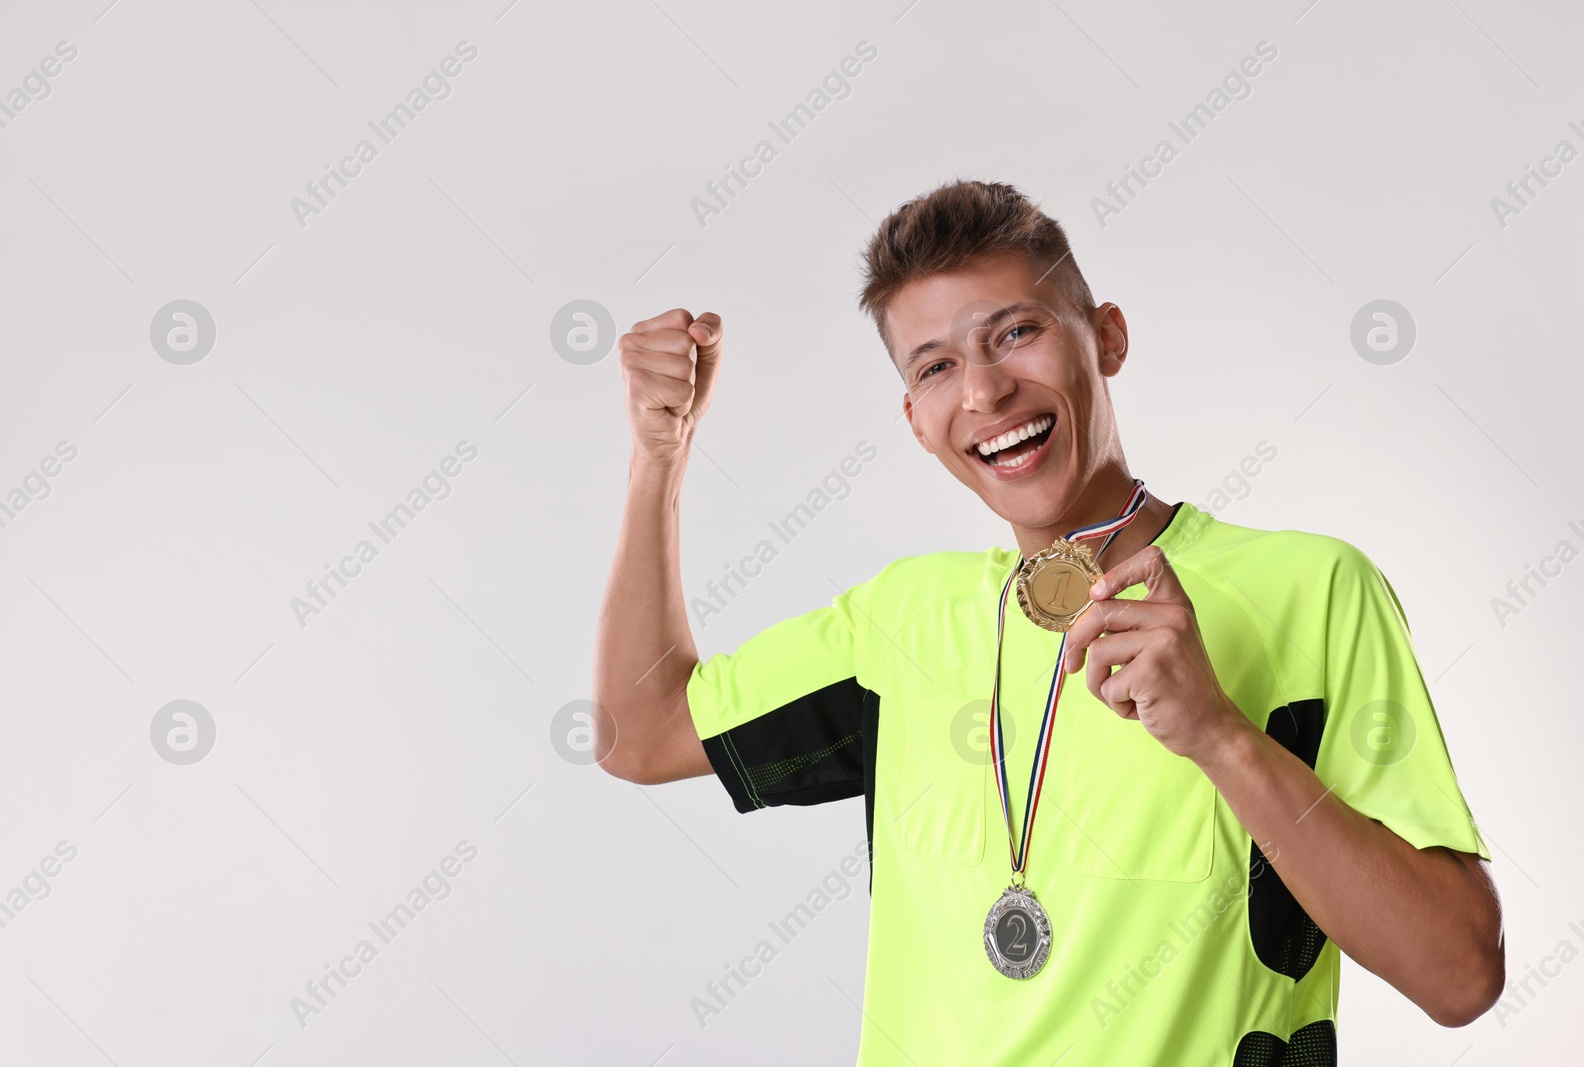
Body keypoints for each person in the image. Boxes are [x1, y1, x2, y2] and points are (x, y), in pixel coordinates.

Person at [593, 178, 1504, 1065]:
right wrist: (657, 457)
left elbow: (1460, 976)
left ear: (1106, 337)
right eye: (937, 366)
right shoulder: (903, 620)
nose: (984, 391)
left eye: (1016, 332)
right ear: (916, 419)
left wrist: (1223, 738)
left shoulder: (1311, 589)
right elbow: (640, 733)